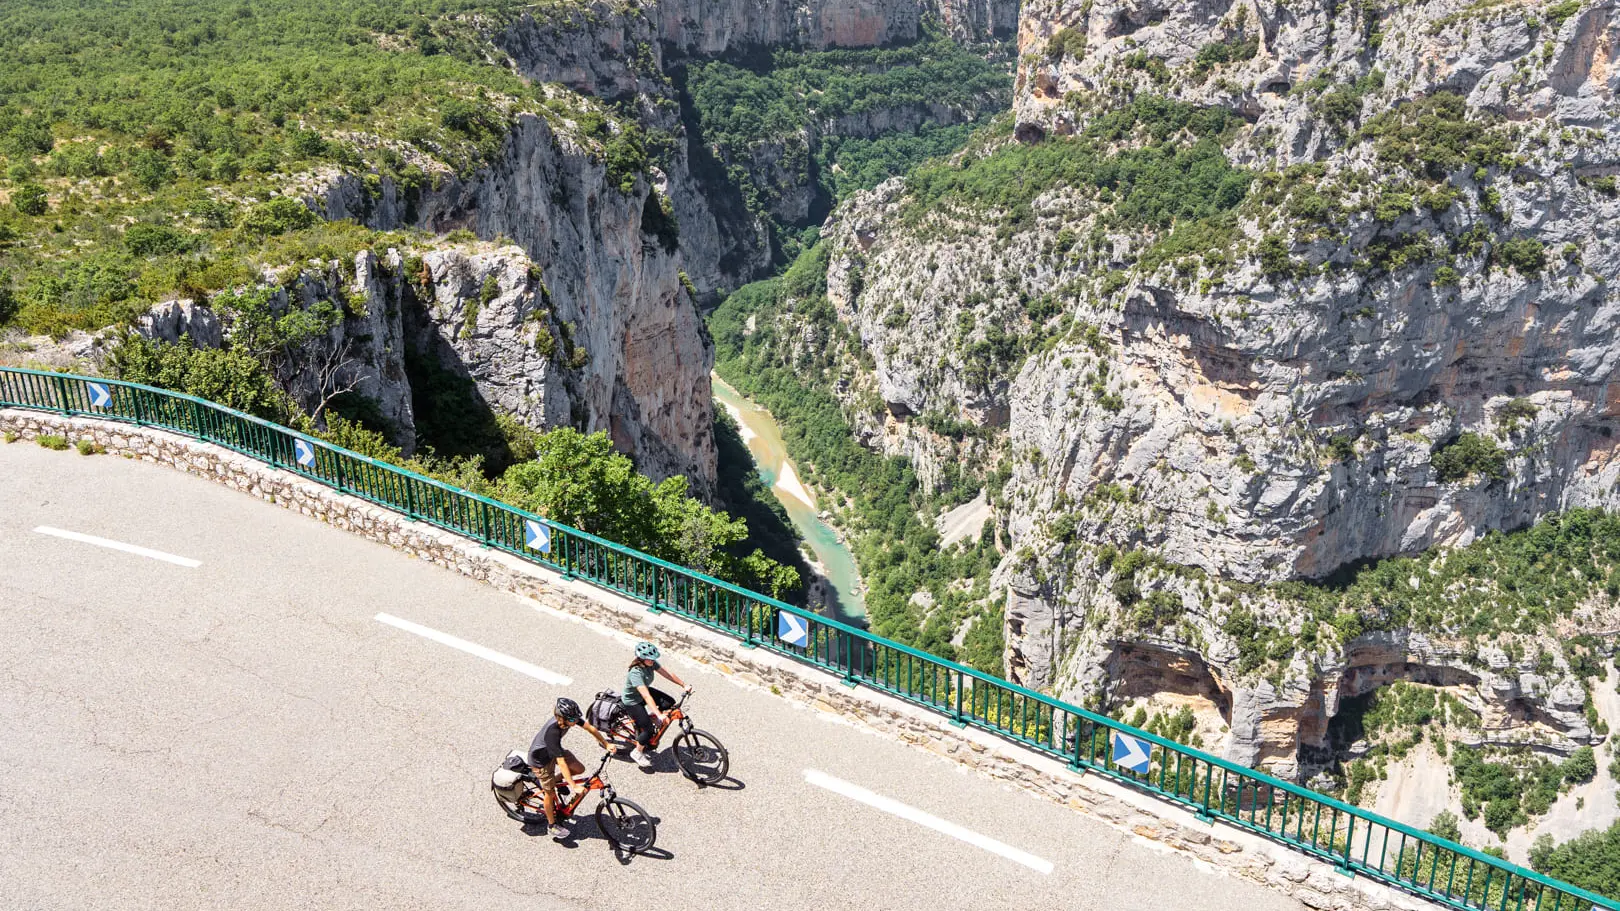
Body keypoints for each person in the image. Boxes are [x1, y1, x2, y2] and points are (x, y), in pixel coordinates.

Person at [529, 697, 611, 840]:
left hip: (554, 751)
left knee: (579, 769)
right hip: (541, 761)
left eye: (575, 719)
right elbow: (561, 763)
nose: (575, 722)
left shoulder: (570, 718)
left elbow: (590, 728)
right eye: (572, 720)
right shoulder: (552, 733)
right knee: (549, 793)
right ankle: (552, 825)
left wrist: (606, 743)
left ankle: (556, 781)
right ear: (561, 718)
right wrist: (573, 786)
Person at [621, 641, 692, 768]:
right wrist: (659, 714)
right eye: (650, 659)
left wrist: (683, 684)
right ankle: (637, 752)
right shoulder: (635, 673)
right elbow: (646, 696)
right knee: (649, 730)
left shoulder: (650, 663)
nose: (653, 661)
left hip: (643, 693)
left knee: (669, 703)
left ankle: (650, 718)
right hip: (633, 701)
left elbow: (668, 674)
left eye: (654, 659)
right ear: (642, 659)